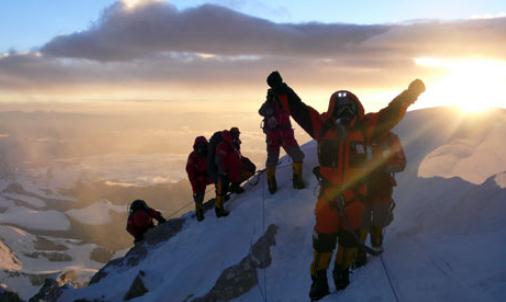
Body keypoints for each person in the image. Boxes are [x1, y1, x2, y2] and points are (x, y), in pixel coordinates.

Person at [266, 71, 425, 300]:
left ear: (356, 107)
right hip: (331, 198)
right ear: (332, 108)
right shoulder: (322, 126)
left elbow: (393, 111)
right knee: (323, 243)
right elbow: (297, 108)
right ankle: (319, 282)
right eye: (340, 105)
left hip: (355, 198)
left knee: (349, 243)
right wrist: (282, 89)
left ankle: (342, 276)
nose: (344, 110)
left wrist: (411, 93)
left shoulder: (367, 127)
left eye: (348, 105)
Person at [355, 131, 406, 267]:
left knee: (380, 215)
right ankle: (359, 250)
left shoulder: (391, 138)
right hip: (361, 185)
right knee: (361, 218)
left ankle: (376, 239)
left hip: (382, 185)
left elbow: (401, 162)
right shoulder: (358, 136)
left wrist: (382, 168)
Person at [259, 89, 306, 194]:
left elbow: (261, 111)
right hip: (278, 136)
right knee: (275, 159)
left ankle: (293, 180)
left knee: (296, 156)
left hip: (282, 136)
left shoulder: (283, 103)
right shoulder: (270, 104)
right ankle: (275, 182)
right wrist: (270, 108)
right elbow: (261, 111)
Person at [214, 130, 256, 217]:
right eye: (237, 134)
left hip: (233, 170)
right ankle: (218, 209)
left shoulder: (232, 144)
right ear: (232, 134)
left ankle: (234, 187)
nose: (238, 136)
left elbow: (236, 156)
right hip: (225, 172)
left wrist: (244, 160)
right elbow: (219, 159)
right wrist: (223, 171)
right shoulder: (224, 145)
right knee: (222, 190)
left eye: (238, 134)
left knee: (250, 170)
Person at [186, 136, 213, 221]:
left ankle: (222, 196)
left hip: (209, 176)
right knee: (199, 194)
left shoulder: (210, 153)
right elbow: (190, 172)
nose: (201, 147)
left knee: (221, 179)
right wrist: (194, 186)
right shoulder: (193, 156)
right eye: (200, 145)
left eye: (203, 145)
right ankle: (199, 212)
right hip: (200, 179)